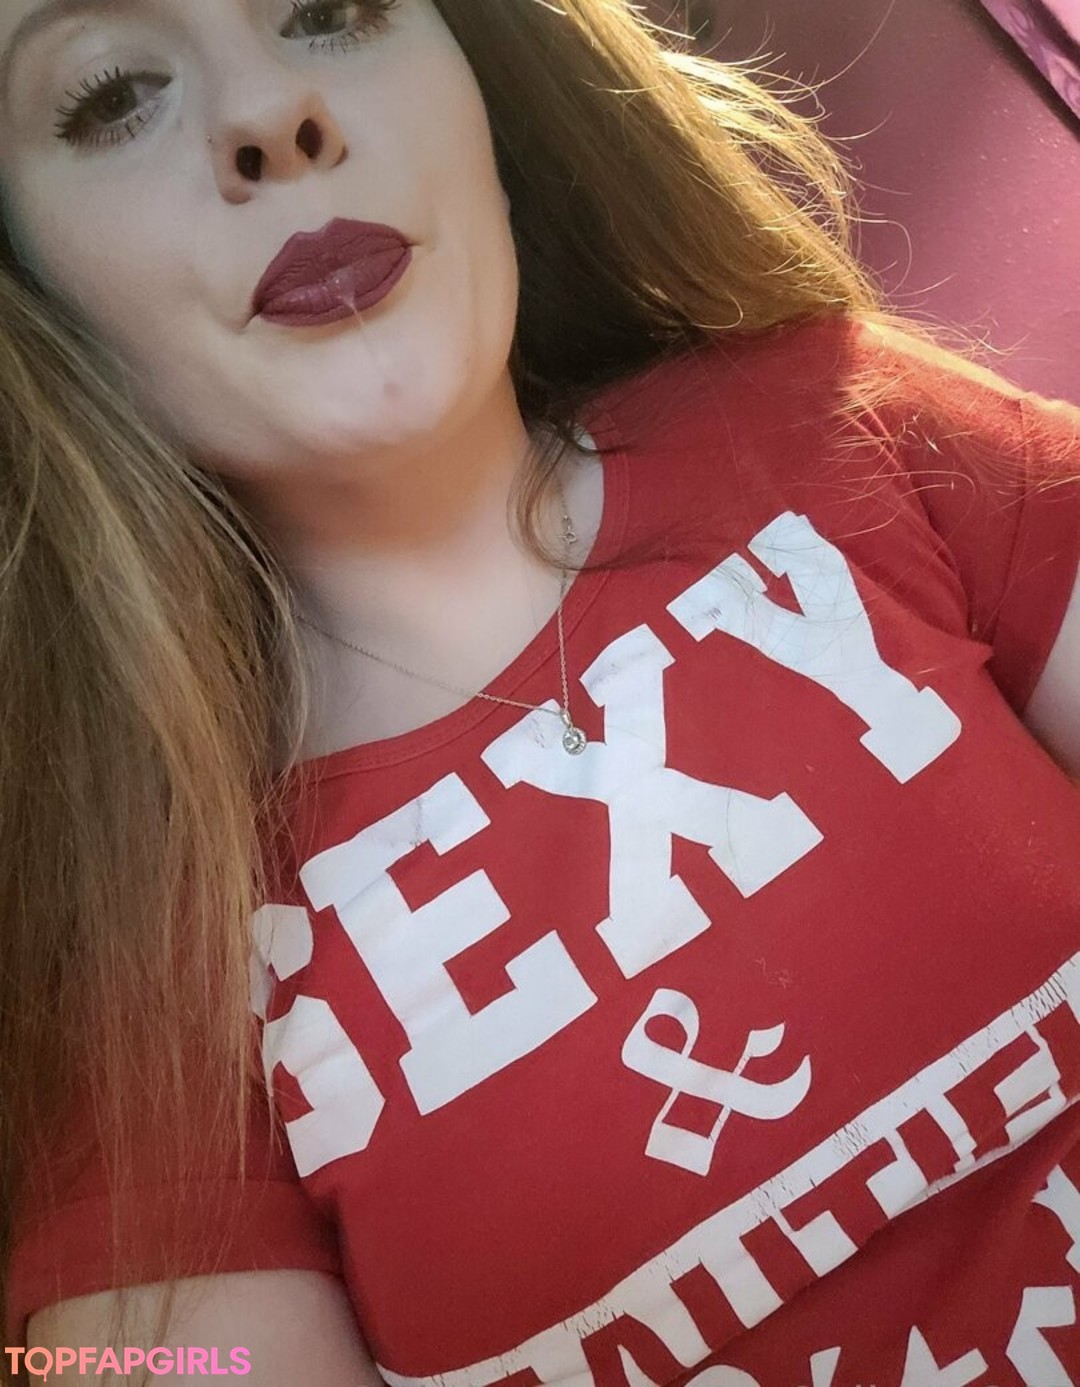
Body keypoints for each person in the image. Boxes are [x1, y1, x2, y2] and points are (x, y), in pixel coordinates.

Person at [1, 1, 1079, 1384]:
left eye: (331, 11)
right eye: (109, 96)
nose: (271, 117)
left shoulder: (849, 422)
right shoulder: (130, 964)